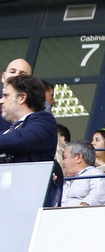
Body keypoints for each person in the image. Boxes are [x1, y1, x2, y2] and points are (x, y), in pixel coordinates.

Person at [0, 75, 64, 204]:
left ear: (22, 98)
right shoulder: (7, 132)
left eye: (6, 96)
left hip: (25, 207)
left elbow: (19, 140)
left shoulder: (44, 121)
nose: (1, 101)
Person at [60, 140, 105, 207]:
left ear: (79, 157)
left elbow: (98, 195)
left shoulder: (95, 174)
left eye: (64, 158)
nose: (62, 162)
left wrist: (80, 208)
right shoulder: (64, 180)